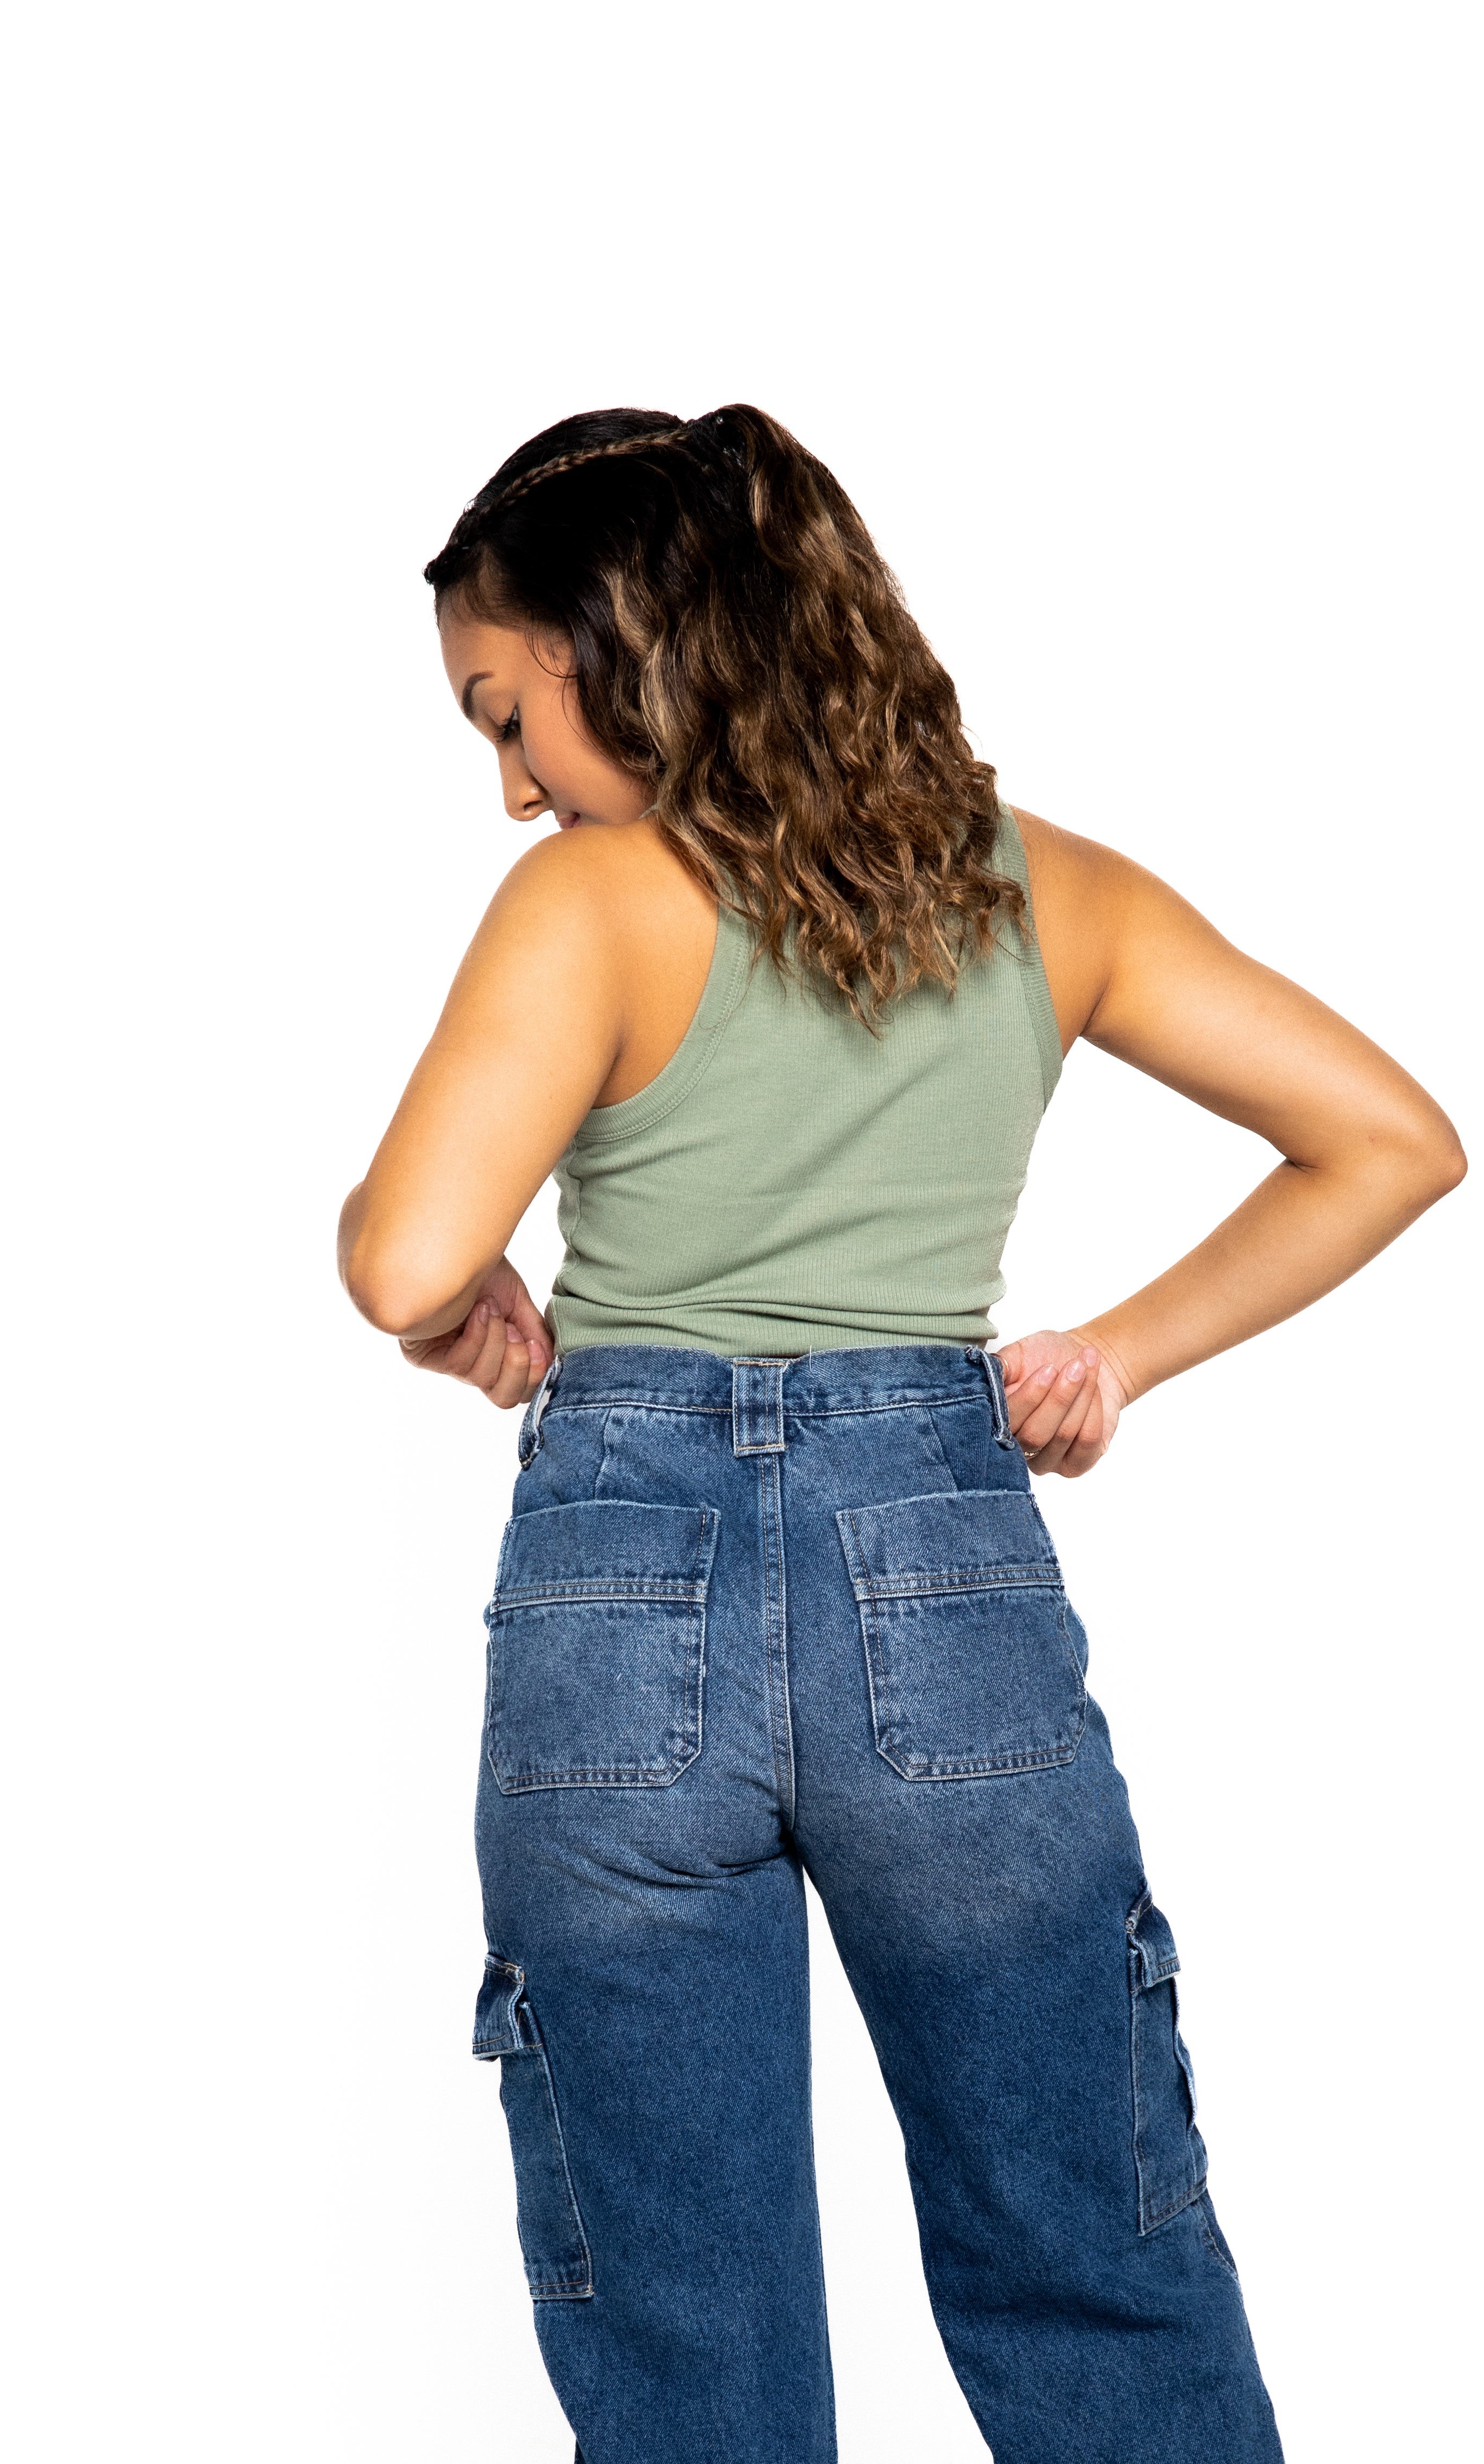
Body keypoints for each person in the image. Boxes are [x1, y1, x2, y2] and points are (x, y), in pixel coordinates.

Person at [336, 405, 1463, 2464]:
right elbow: (1393, 1141)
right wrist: (1116, 1351)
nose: (508, 789)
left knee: (687, 2342)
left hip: (622, 1602)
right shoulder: (1051, 895)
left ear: (626, 645)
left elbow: (409, 1259)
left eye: (508, 716)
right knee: (1096, 2263)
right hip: (941, 1579)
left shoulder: (590, 904)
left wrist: (458, 1325)